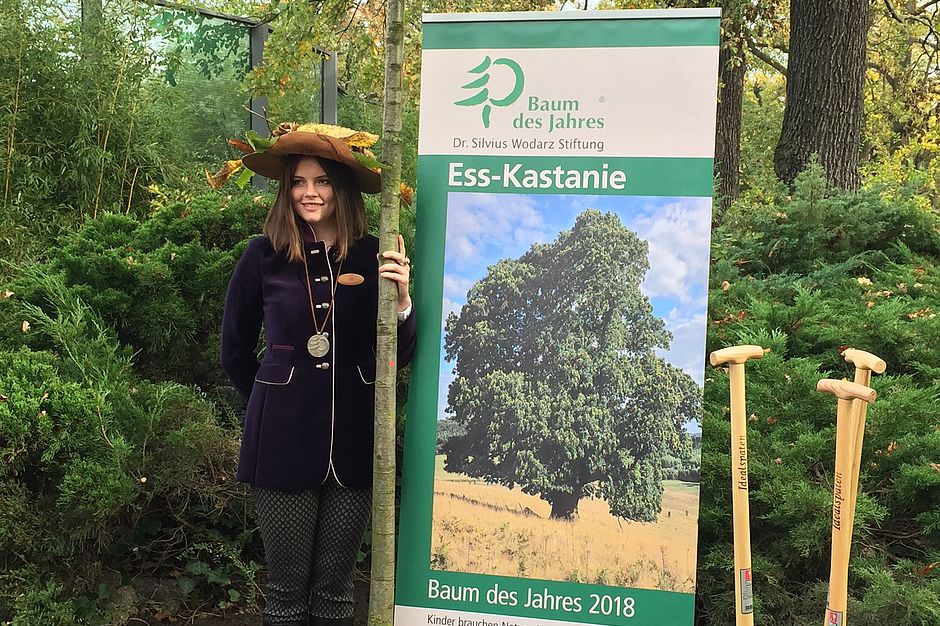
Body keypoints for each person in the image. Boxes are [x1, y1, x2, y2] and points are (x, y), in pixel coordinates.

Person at [220, 124, 417, 626]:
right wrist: (271, 402)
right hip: (280, 442)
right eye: (299, 182)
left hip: (356, 440)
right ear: (286, 189)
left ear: (341, 188)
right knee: (285, 593)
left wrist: (402, 301)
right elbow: (234, 351)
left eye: (323, 181)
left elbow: (399, 356)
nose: (310, 192)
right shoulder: (262, 255)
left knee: (336, 592)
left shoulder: (375, 255)